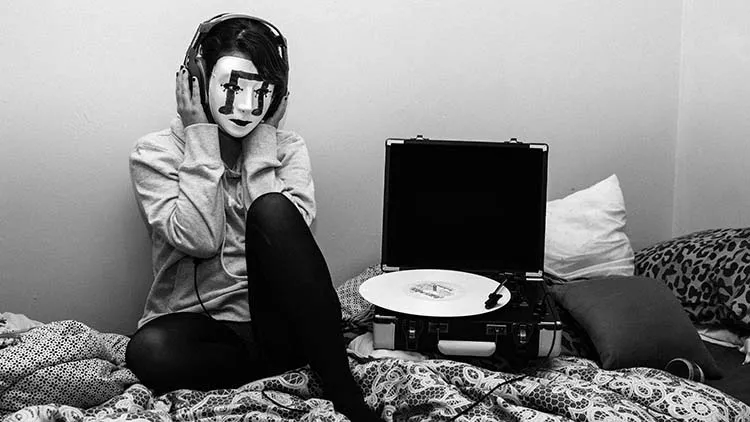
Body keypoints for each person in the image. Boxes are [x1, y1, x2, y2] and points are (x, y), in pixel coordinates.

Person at [125, 14, 380, 421]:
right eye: (231, 87)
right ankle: (267, 377)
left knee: (274, 208)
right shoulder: (154, 153)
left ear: (277, 97)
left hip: (277, 324)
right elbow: (200, 239)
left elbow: (285, 234)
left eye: (260, 91)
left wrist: (263, 146)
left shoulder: (288, 148)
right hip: (202, 333)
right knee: (146, 350)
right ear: (196, 79)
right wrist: (201, 143)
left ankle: (346, 395)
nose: (245, 106)